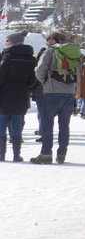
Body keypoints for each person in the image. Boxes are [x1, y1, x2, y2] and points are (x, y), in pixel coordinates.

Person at [32, 30, 79, 164]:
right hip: (69, 92)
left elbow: (40, 70)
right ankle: (62, 154)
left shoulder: (50, 52)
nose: (47, 42)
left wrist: (45, 82)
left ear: (53, 40)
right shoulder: (73, 53)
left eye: (48, 40)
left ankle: (46, 154)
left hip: (52, 91)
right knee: (64, 125)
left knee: (47, 124)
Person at [0, 31, 37, 162]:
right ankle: (16, 155)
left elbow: (2, 76)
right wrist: (25, 88)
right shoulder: (31, 58)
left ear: (13, 42)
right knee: (17, 127)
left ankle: (1, 155)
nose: (5, 43)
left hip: (4, 97)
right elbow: (33, 79)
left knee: (1, 126)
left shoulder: (7, 56)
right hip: (22, 96)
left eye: (7, 41)